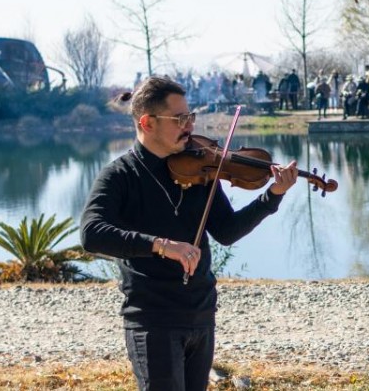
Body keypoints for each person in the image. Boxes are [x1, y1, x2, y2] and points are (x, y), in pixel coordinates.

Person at [81, 76, 299, 391]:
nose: (190, 125)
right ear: (147, 123)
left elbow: (227, 231)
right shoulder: (119, 176)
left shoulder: (200, 169)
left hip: (201, 313)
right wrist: (160, 245)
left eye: (190, 116)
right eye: (180, 118)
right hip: (152, 320)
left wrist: (272, 196)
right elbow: (92, 234)